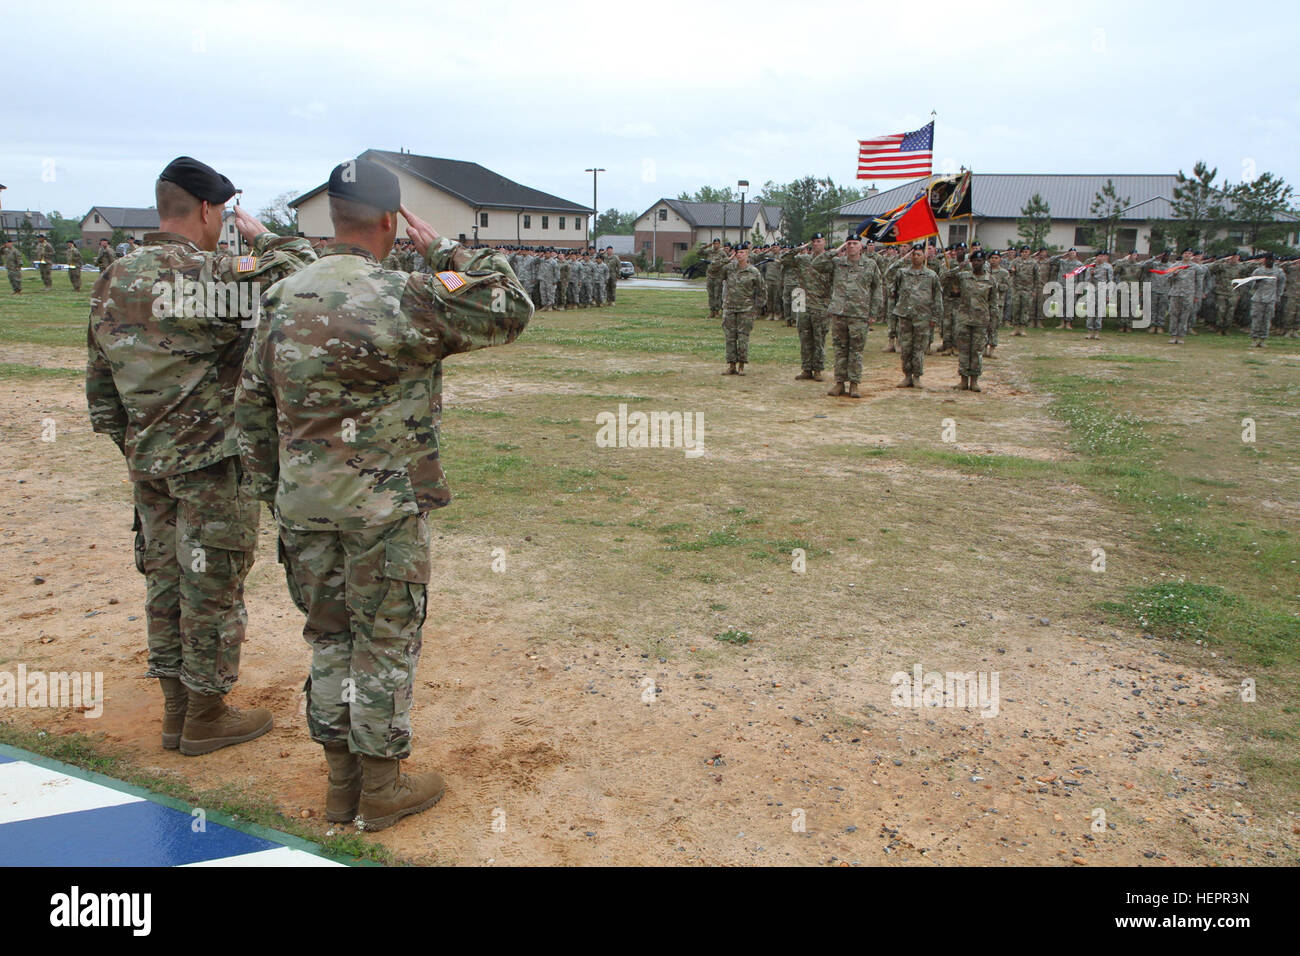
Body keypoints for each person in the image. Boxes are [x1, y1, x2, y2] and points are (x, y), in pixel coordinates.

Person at [235, 159, 532, 831]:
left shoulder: (281, 297)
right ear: (393, 224)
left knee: (331, 637)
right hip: (383, 508)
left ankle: (341, 786)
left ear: (330, 221)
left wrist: (274, 491)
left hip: (305, 508)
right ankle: (380, 787)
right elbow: (511, 305)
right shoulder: (409, 294)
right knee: (384, 641)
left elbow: (250, 407)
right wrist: (450, 250)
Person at [86, 156, 316, 756]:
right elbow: (305, 275)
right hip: (212, 464)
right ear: (211, 210)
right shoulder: (211, 277)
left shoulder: (113, 277)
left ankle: (175, 711)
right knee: (211, 584)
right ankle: (206, 715)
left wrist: (136, 445)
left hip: (148, 462)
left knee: (164, 578)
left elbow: (101, 389)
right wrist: (268, 237)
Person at [825, 235, 882, 398]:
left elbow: (877, 289)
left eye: (854, 244)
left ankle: (854, 384)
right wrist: (836, 250)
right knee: (839, 349)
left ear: (861, 247)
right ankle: (839, 383)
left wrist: (874, 313)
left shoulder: (870, 265)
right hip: (839, 312)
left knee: (856, 350)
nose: (851, 246)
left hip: (859, 313)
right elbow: (817, 264)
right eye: (848, 243)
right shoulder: (837, 263)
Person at [890, 244, 943, 389]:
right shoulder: (902, 272)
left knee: (919, 348)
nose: (915, 257)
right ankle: (907, 375)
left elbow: (937, 297)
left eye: (919, 254)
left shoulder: (931, 275)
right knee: (906, 347)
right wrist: (903, 258)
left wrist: (935, 317)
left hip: (923, 316)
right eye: (913, 254)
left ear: (924, 256)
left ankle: (917, 376)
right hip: (905, 315)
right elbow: (889, 275)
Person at [946, 250, 997, 391]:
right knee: (963, 350)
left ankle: (974, 380)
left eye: (979, 261)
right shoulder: (963, 277)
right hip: (964, 319)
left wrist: (993, 323)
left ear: (984, 262)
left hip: (981, 321)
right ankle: (963, 380)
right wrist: (959, 267)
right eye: (974, 261)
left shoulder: (991, 280)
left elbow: (993, 303)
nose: (976, 263)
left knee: (977, 351)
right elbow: (945, 277)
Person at [720, 243, 764, 376]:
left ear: (748, 254)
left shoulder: (753, 272)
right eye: (737, 252)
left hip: (746, 309)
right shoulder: (729, 268)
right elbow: (714, 269)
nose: (739, 255)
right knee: (730, 337)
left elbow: (761, 291)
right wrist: (727, 259)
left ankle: (741, 366)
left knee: (743, 338)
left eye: (742, 252)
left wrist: (757, 309)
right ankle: (731, 365)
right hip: (730, 308)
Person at [1247, 253, 1286, 347]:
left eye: (1272, 260)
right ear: (1264, 260)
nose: (1270, 261)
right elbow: (1251, 285)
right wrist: (1256, 282)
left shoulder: (1279, 272)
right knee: (1256, 319)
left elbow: (1281, 285)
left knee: (1267, 320)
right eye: (1268, 259)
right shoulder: (1258, 271)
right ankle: (1254, 338)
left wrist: (1278, 297)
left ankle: (1263, 339)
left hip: (1270, 299)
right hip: (1258, 299)